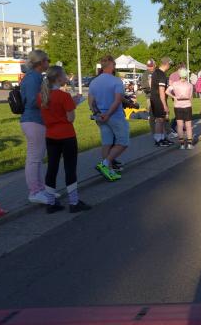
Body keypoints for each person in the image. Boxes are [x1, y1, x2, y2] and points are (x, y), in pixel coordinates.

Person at [36, 65, 91, 213]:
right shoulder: (64, 96)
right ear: (59, 78)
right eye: (64, 74)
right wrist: (73, 104)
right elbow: (70, 118)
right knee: (70, 168)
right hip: (67, 136)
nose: (66, 76)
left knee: (52, 168)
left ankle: (50, 202)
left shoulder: (41, 96)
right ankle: (74, 202)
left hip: (50, 136)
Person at [88, 55, 130, 182]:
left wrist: (98, 113)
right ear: (112, 65)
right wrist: (108, 114)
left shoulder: (94, 82)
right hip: (114, 116)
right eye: (115, 65)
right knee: (123, 142)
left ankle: (109, 170)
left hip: (100, 117)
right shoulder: (116, 81)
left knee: (106, 142)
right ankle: (105, 164)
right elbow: (117, 101)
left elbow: (91, 102)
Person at [20, 49, 50, 204]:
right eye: (47, 60)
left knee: (37, 158)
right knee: (34, 158)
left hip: (35, 120)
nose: (49, 63)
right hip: (33, 120)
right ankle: (34, 192)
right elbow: (33, 101)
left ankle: (40, 189)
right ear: (40, 62)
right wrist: (49, 102)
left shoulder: (35, 76)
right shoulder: (33, 78)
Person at [166, 67, 195, 149]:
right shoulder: (190, 85)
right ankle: (189, 144)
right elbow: (190, 96)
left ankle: (182, 144)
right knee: (188, 125)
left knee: (179, 125)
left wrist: (174, 96)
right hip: (187, 105)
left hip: (178, 105)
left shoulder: (175, 84)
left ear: (179, 75)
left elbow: (167, 91)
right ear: (186, 75)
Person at [150, 57, 173, 147]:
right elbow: (161, 91)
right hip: (158, 100)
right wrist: (164, 105)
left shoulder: (156, 72)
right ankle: (158, 140)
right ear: (167, 64)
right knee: (159, 120)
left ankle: (162, 138)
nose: (170, 66)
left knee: (161, 120)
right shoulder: (161, 74)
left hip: (154, 99)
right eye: (169, 64)